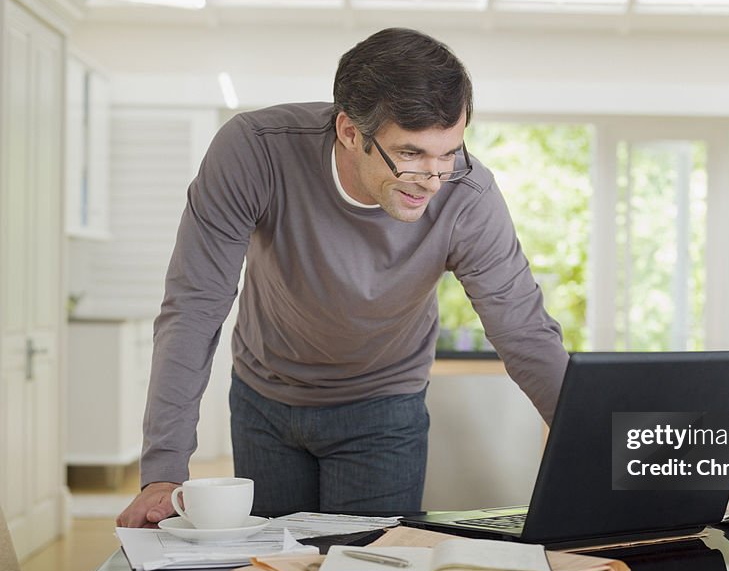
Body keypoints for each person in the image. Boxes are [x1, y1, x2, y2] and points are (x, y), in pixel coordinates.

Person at [117, 28, 569, 527]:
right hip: (265, 398)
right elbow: (195, 305)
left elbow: (523, 330)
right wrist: (163, 470)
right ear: (350, 132)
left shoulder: (468, 193)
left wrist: (594, 453)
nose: (433, 180)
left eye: (448, 153)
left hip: (385, 405)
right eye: (411, 154)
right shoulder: (254, 151)